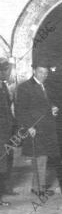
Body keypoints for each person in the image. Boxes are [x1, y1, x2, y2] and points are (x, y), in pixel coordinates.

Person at [15, 59, 60, 196]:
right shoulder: (25, 87)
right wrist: (28, 127)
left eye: (46, 73)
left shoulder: (44, 86)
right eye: (40, 72)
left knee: (41, 158)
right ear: (34, 71)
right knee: (40, 159)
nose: (43, 75)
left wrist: (52, 109)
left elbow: (44, 105)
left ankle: (36, 187)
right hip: (35, 129)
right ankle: (40, 190)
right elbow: (20, 110)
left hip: (45, 128)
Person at [0, 58, 13, 205]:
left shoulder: (3, 86)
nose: (8, 73)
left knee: (6, 162)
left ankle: (4, 191)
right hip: (0, 132)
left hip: (6, 132)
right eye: (6, 71)